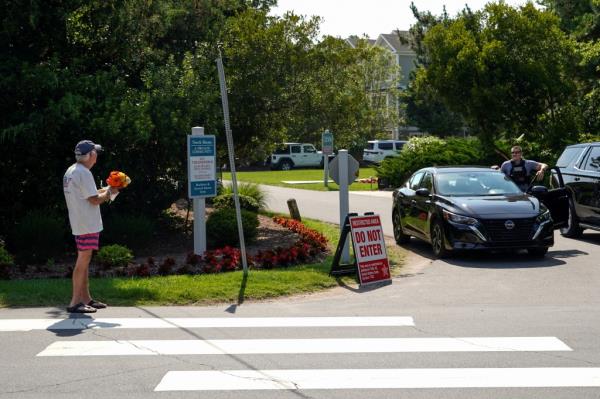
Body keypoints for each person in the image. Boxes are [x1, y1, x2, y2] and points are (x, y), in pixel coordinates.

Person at [63, 140, 117, 313]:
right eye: (96, 153)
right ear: (90, 155)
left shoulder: (72, 170)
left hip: (80, 221)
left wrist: (109, 189)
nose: (97, 157)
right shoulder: (84, 173)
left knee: (84, 261)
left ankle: (86, 299)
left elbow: (90, 194)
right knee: (83, 261)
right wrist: (110, 193)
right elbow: (94, 200)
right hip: (87, 223)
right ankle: (75, 302)